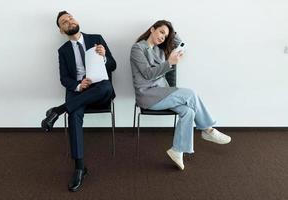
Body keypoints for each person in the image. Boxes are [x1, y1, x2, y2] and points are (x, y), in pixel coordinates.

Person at [130, 20, 231, 171]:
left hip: (163, 94)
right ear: (152, 29)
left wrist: (172, 32)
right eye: (161, 32)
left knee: (188, 111)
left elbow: (180, 43)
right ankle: (208, 129)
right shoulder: (138, 48)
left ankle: (177, 150)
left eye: (166, 36)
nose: (163, 37)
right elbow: (147, 74)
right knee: (190, 94)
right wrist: (169, 63)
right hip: (148, 95)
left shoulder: (159, 50)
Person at [41, 11, 116, 192]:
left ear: (77, 20)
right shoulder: (63, 51)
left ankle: (58, 111)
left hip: (99, 91)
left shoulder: (96, 38)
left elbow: (113, 65)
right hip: (79, 92)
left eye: (70, 18)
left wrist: (104, 56)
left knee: (107, 87)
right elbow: (64, 79)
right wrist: (78, 85)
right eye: (64, 22)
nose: (69, 22)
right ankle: (80, 168)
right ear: (61, 30)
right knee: (74, 115)